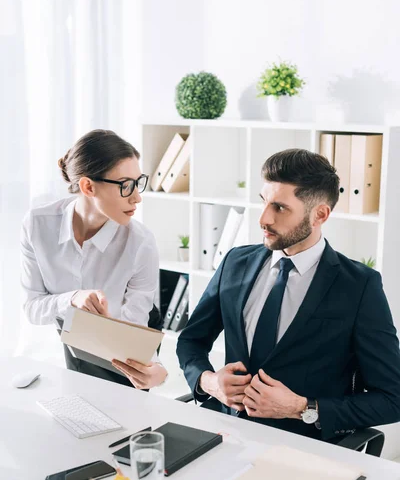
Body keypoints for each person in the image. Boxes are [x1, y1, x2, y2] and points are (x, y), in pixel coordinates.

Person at [176, 148, 400, 441]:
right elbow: (191, 340)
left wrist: (301, 408)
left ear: (320, 214)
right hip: (228, 435)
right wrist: (209, 381)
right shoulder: (235, 262)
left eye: (280, 208)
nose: (263, 219)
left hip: (304, 448)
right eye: (263, 202)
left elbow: (392, 399)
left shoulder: (359, 286)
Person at [21, 129, 167, 389]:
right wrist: (72, 299)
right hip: (65, 351)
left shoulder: (140, 243)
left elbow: (135, 324)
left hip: (119, 352)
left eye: (138, 182)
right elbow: (32, 309)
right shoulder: (37, 225)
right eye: (125, 185)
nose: (137, 197)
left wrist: (156, 370)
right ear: (88, 186)